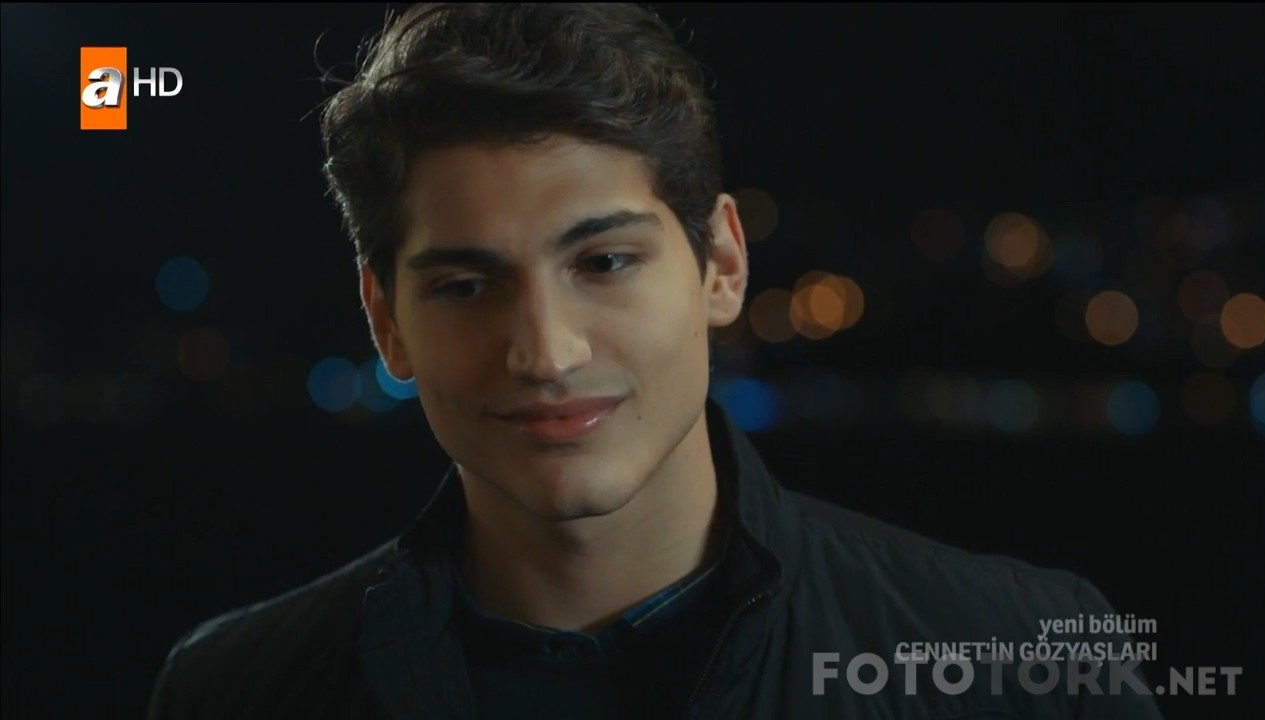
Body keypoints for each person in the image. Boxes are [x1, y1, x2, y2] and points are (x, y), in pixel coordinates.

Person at [146, 4, 1165, 718]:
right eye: (465, 285)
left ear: (721, 265)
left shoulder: (1024, 663)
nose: (546, 352)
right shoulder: (234, 693)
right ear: (386, 321)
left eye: (604, 262)